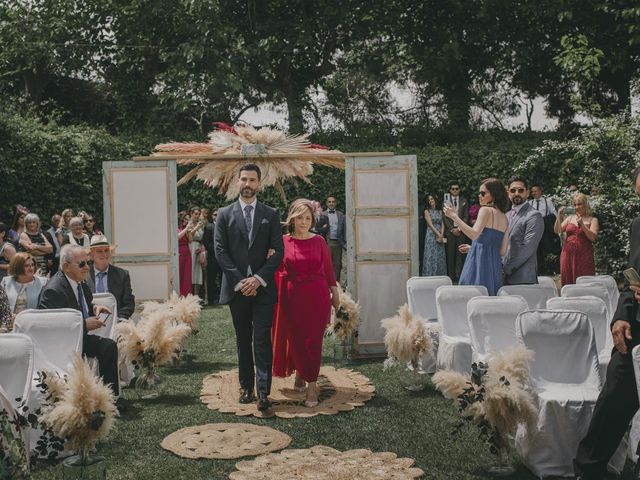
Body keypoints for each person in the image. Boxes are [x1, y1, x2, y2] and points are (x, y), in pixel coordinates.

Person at [574, 167, 640, 480]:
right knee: (615, 394)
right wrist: (621, 316)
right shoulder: (638, 225)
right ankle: (589, 469)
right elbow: (633, 279)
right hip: (636, 326)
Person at [214, 164, 284, 411]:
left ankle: (264, 392)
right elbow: (220, 252)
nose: (247, 184)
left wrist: (257, 279)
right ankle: (246, 388)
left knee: (262, 338)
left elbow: (278, 252)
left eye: (252, 180)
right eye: (244, 179)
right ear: (238, 181)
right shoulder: (224, 214)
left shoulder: (271, 214)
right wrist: (241, 282)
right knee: (243, 340)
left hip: (263, 289)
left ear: (259, 184)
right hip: (237, 290)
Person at [272, 199, 339, 407]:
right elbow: (274, 270)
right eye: (300, 217)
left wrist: (335, 296)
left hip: (317, 298)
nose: (304, 222)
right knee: (296, 339)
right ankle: (300, 373)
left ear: (313, 220)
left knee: (313, 342)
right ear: (292, 218)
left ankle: (311, 385)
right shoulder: (282, 241)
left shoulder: (319, 241)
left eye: (308, 218)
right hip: (291, 299)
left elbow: (329, 271)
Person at [38, 244, 120, 397]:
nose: (87, 268)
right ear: (66, 266)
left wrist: (95, 308)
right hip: (60, 344)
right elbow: (51, 327)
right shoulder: (53, 290)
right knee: (107, 346)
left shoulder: (78, 281)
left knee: (109, 346)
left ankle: (110, 398)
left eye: (88, 263)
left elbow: (84, 304)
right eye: (82, 264)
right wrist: (83, 324)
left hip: (76, 337)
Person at [444, 178, 509, 295]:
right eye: (479, 193)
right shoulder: (504, 217)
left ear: (493, 195)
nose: (479, 196)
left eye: (483, 193)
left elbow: (474, 234)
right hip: (494, 268)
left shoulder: (485, 210)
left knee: (470, 299)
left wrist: (454, 216)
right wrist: (475, 247)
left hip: (478, 264)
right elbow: (502, 251)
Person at [503, 177, 544, 285]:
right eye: (513, 190)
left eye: (520, 190)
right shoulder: (505, 216)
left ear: (527, 193)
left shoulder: (534, 215)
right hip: (502, 278)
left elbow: (527, 248)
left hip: (523, 278)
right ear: (508, 193)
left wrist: (505, 269)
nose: (516, 193)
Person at [86, 234, 135, 320]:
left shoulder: (122, 274)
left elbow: (129, 303)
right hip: (91, 322)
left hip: (116, 320)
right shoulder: (83, 275)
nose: (104, 254)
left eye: (106, 250)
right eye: (99, 251)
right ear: (91, 255)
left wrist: (118, 320)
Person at [555, 192, 599, 286]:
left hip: (584, 255)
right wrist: (559, 216)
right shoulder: (570, 218)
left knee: (585, 282)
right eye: (574, 204)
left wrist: (582, 224)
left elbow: (592, 237)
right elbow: (557, 230)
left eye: (579, 204)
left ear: (585, 205)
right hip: (567, 255)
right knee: (568, 282)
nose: (577, 207)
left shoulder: (593, 219)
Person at [1, 253, 47, 317]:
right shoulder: (6, 282)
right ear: (17, 267)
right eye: (26, 266)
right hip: (10, 322)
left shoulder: (43, 282)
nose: (31, 268)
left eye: (32, 265)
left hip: (32, 322)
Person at [528, 184, 559, 274]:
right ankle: (538, 269)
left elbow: (554, 213)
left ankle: (548, 268)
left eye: (536, 191)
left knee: (547, 246)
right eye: (532, 191)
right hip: (534, 227)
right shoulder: (530, 203)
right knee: (536, 248)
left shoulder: (547, 201)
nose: (534, 193)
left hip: (545, 227)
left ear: (540, 191)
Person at [443, 182, 469, 281]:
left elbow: (466, 216)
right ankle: (451, 277)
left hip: (461, 231)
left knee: (460, 254)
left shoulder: (464, 201)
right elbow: (444, 217)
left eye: (456, 188)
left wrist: (459, 228)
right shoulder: (446, 201)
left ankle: (459, 276)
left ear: (459, 190)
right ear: (450, 190)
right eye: (453, 189)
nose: (455, 190)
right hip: (450, 232)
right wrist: (451, 229)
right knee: (450, 255)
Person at [422, 194, 447, 277]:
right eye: (429, 200)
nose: (431, 201)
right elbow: (430, 225)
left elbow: (442, 223)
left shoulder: (439, 211)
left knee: (439, 255)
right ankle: (430, 275)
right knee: (431, 255)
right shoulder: (426, 211)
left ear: (435, 199)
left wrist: (442, 234)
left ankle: (440, 275)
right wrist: (438, 234)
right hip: (431, 235)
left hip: (440, 234)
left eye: (432, 199)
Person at [203, 209, 222, 306]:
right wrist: (215, 250)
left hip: (223, 257)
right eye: (215, 214)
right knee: (211, 279)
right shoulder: (208, 227)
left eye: (218, 214)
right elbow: (205, 241)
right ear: (212, 216)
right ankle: (210, 300)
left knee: (223, 278)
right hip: (212, 257)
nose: (217, 216)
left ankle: (223, 298)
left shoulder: (225, 225)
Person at [324, 196, 346, 283]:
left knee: (337, 264)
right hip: (327, 242)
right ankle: (327, 283)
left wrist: (344, 243)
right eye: (329, 202)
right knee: (327, 264)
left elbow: (344, 229)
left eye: (333, 202)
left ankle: (336, 284)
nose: (331, 203)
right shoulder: (322, 214)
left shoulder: (341, 215)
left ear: (335, 203)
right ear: (327, 203)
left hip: (338, 242)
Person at [188, 206, 206, 296]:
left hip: (198, 247)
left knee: (198, 272)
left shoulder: (201, 224)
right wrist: (197, 228)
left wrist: (202, 247)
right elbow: (189, 237)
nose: (197, 216)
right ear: (191, 214)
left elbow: (202, 238)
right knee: (190, 270)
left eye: (199, 214)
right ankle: (189, 294)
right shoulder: (189, 223)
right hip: (190, 247)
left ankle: (196, 296)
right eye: (195, 214)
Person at [177, 211, 193, 296]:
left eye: (188, 219)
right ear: (181, 219)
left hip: (187, 252)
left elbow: (190, 240)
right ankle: (179, 294)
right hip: (179, 252)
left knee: (187, 275)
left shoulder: (186, 228)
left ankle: (187, 295)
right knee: (180, 274)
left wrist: (188, 231)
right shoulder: (177, 228)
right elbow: (177, 237)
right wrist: (186, 229)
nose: (187, 221)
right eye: (186, 219)